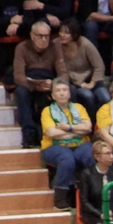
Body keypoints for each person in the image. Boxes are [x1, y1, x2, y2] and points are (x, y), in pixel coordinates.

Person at [38, 78, 94, 210]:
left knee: (91, 155)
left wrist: (67, 128)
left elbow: (88, 128)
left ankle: (93, 194)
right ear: (52, 96)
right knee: (67, 158)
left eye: (65, 90)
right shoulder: (47, 111)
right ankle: (60, 199)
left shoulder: (79, 108)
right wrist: (77, 131)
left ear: (69, 94)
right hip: (54, 146)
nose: (62, 93)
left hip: (80, 144)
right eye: (58, 91)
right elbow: (51, 133)